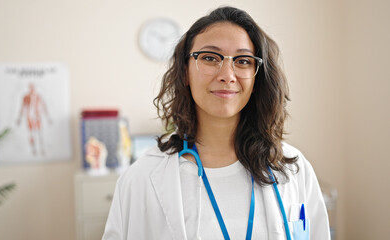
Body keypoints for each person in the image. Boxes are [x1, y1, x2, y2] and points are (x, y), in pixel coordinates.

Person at [102, 6, 330, 240]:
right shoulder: (140, 179)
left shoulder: (295, 169)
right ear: (184, 73)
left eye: (243, 61)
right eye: (210, 58)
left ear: (257, 77)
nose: (227, 75)